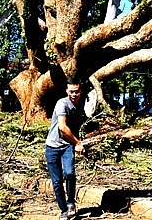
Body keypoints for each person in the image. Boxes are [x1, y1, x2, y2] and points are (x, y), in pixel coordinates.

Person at [45, 77, 86, 220]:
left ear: (80, 91)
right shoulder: (61, 104)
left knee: (69, 173)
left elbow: (79, 126)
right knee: (56, 182)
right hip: (52, 147)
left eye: (77, 91)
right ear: (67, 91)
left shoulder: (80, 106)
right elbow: (62, 127)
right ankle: (63, 210)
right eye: (71, 92)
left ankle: (70, 204)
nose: (74, 94)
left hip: (67, 146)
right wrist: (78, 142)